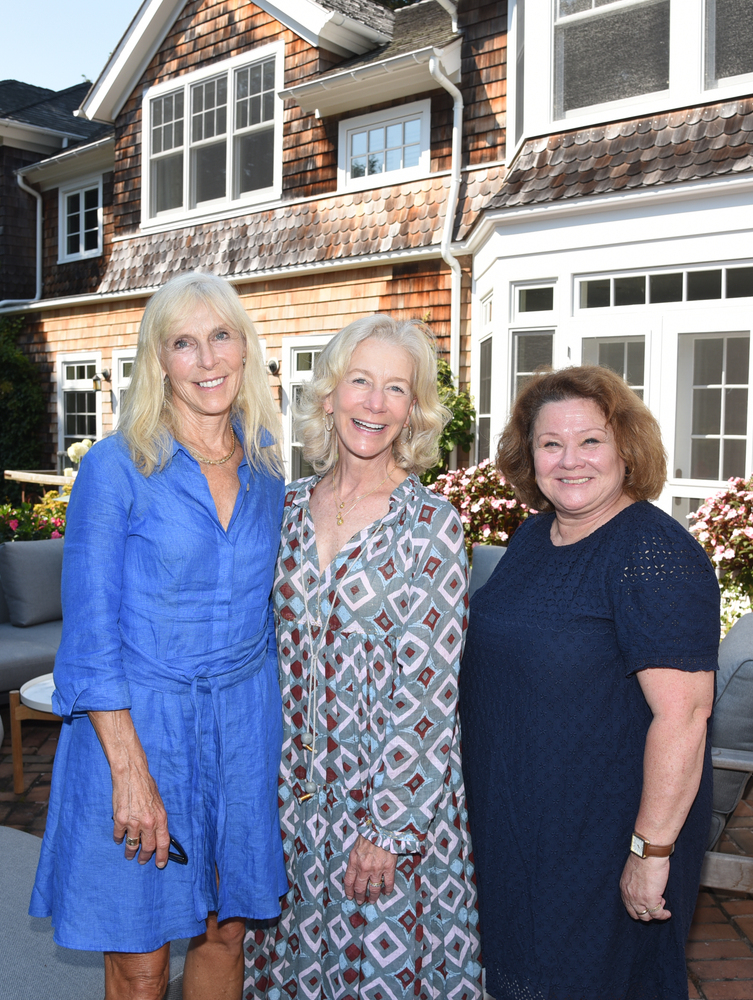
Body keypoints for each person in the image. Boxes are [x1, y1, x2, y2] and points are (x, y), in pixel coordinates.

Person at [30, 272, 290, 1000]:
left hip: (242, 729)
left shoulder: (267, 464)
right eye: (184, 342)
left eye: (220, 337)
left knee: (225, 932)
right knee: (140, 959)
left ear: (244, 350)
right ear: (159, 360)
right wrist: (130, 772)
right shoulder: (118, 467)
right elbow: (89, 637)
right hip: (139, 728)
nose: (206, 360)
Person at [459, 365, 719, 1000]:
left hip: (603, 838)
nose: (570, 461)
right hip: (524, 826)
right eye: (551, 444)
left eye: (590, 441)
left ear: (625, 449)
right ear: (530, 455)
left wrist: (650, 853)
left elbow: (684, 718)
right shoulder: (533, 537)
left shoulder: (653, 554)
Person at [244, 316, 482, 1000]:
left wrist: (389, 828)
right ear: (329, 395)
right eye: (360, 381)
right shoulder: (284, 509)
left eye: (395, 389)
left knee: (376, 972)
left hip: (386, 800)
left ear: (414, 410)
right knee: (288, 965)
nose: (374, 404)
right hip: (289, 799)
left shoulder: (431, 525)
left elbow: (429, 695)